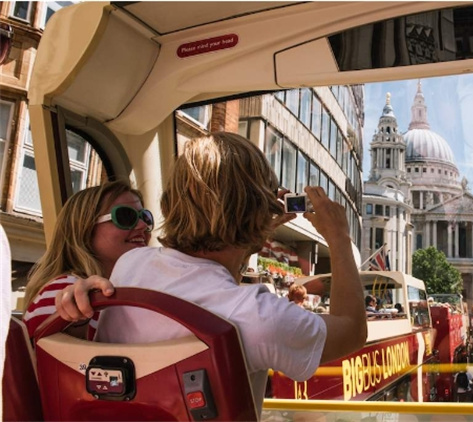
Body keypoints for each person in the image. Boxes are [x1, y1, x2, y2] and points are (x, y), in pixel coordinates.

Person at [56, 132, 367, 412]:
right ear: (258, 208)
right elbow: (352, 330)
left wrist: (250, 236)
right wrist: (339, 237)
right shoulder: (260, 317)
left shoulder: (130, 264)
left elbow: (209, 285)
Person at [22, 181, 153, 339]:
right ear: (85, 229)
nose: (142, 225)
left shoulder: (123, 292)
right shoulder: (66, 290)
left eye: (145, 217)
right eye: (125, 216)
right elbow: (52, 353)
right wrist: (77, 319)